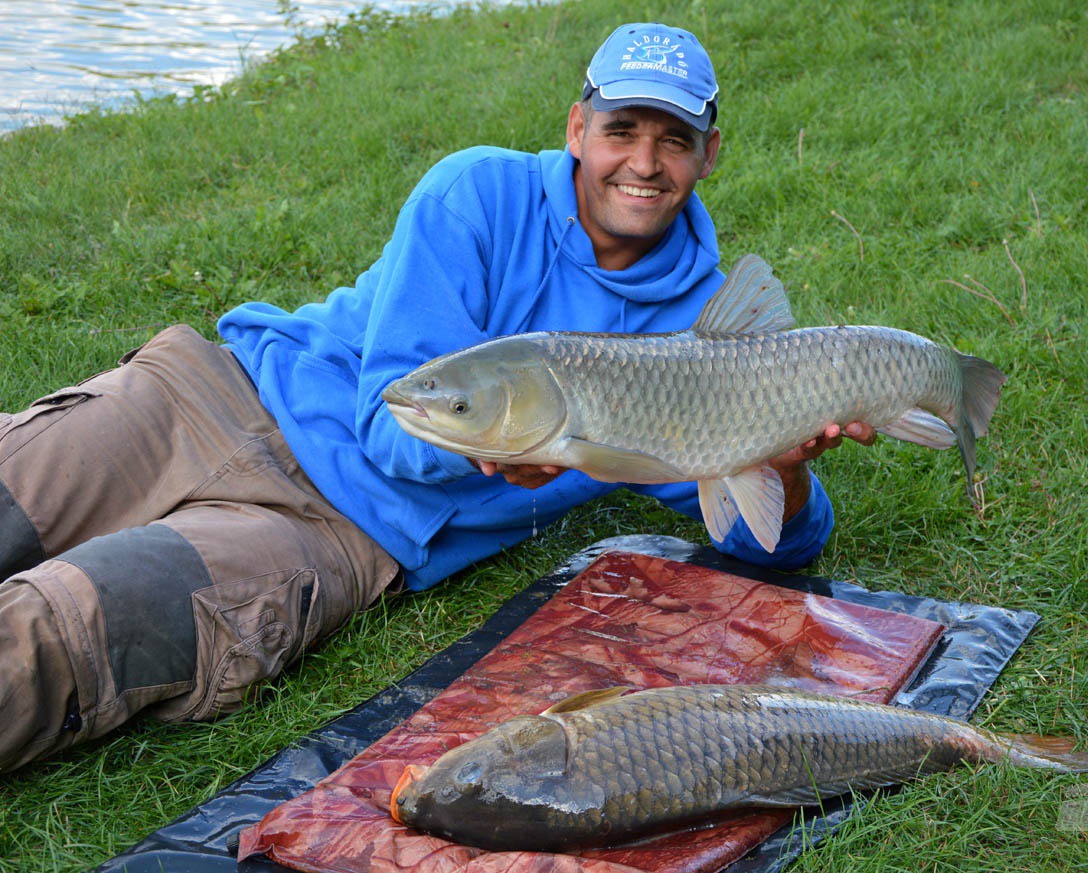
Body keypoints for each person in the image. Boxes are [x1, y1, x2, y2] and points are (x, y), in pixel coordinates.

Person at [0, 22, 873, 773]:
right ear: (578, 128)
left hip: (334, 530)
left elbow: (773, 545)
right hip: (213, 393)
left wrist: (783, 466)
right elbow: (395, 417)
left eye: (674, 139)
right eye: (622, 128)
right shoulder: (477, 193)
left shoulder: (706, 332)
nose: (643, 163)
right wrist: (489, 446)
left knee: (56, 626)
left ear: (709, 154)